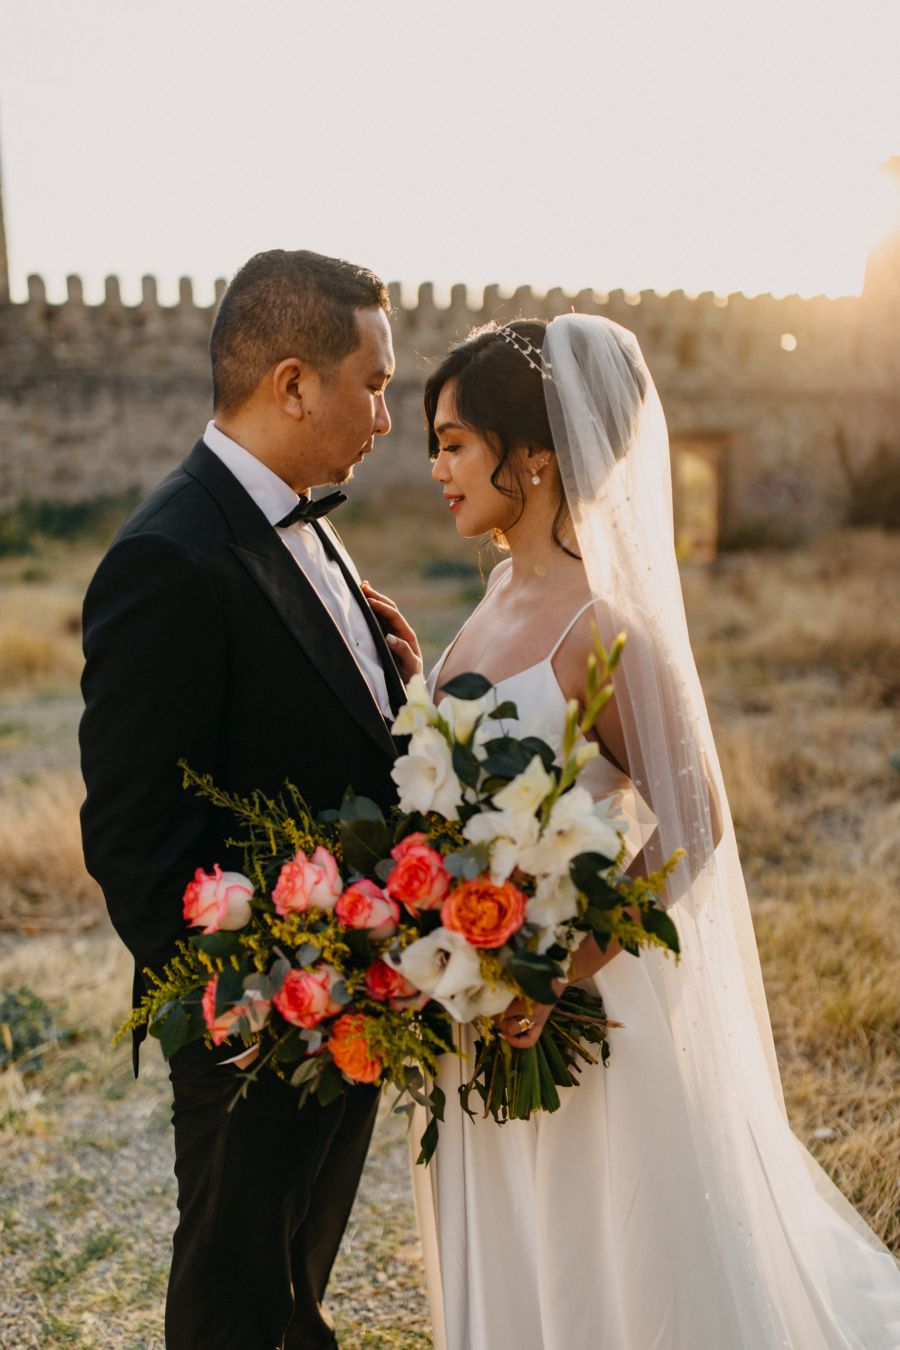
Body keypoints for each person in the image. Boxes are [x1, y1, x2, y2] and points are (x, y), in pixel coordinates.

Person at [407, 315, 900, 1349]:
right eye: (435, 445)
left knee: (601, 1251)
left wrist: (560, 968)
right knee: (514, 1239)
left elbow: (692, 820)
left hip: (579, 1011)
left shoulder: (604, 627)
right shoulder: (493, 596)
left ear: (531, 457)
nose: (438, 468)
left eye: (455, 442)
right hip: (476, 997)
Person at [79, 249, 421, 1350]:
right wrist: (251, 1006)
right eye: (374, 383)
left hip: (346, 1002)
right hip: (256, 1028)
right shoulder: (166, 558)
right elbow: (134, 836)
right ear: (292, 384)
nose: (385, 415)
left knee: (291, 1284)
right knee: (233, 1304)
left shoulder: (307, 521)